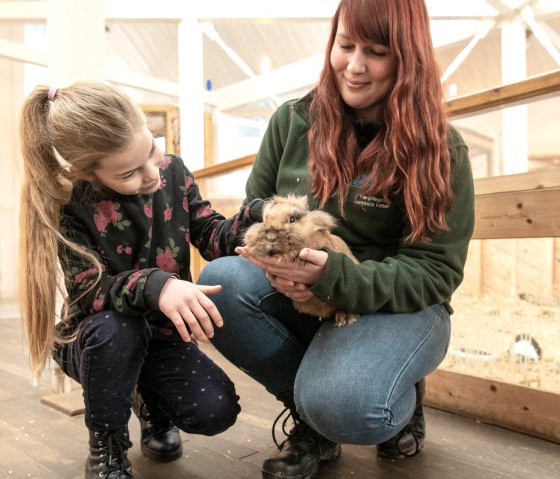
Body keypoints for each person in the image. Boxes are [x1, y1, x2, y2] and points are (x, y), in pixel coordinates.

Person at [198, 0, 475, 478]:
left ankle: (392, 388)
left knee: (350, 405)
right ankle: (312, 421)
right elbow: (256, 213)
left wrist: (333, 277)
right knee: (221, 282)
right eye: (345, 46)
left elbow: (436, 271)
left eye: (377, 51)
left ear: (408, 58)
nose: (355, 65)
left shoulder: (440, 148)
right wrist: (278, 270)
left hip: (396, 306)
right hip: (305, 292)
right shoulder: (292, 121)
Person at [18, 81, 265, 479]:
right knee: (117, 332)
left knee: (215, 410)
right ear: (88, 173)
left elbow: (212, 234)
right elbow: (90, 290)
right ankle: (108, 439)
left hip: (162, 338)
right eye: (130, 172)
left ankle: (149, 400)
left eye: (152, 148)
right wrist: (158, 286)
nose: (153, 174)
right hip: (98, 342)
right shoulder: (71, 206)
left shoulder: (174, 173)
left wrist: (257, 219)